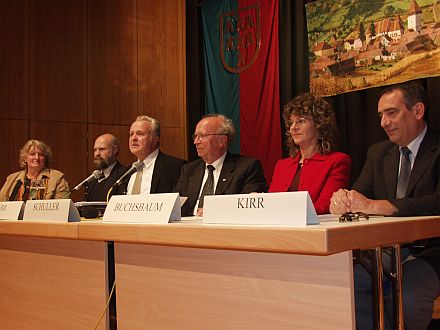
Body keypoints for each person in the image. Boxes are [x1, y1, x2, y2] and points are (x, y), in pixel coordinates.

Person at [330, 82, 440, 330]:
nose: (383, 123)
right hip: (383, 253)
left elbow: (435, 202)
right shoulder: (378, 153)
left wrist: (381, 206)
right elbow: (359, 192)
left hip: (431, 253)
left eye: (391, 113)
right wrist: (343, 198)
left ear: (418, 111)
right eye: (380, 115)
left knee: (408, 300)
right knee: (344, 290)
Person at [269, 93, 351, 214]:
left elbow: (325, 207)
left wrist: (282, 211)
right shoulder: (281, 165)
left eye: (300, 121)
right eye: (291, 123)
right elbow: (271, 204)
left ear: (319, 124)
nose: (293, 127)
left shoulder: (337, 161)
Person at [175, 114, 267, 216]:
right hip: (186, 227)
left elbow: (249, 207)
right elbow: (175, 204)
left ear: (221, 141)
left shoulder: (247, 167)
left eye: (202, 136)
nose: (196, 142)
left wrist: (214, 210)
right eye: (195, 136)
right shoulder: (189, 169)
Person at [126, 115, 186, 195]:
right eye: (131, 134)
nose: (133, 138)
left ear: (154, 140)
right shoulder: (126, 173)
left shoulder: (175, 167)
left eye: (140, 134)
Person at [0, 139, 69, 201]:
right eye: (32, 154)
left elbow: (61, 207)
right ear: (25, 158)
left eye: (41, 155)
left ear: (46, 158)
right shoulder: (12, 178)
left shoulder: (57, 177)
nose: (37, 158)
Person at [86, 134, 130, 201]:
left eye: (102, 149)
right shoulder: (92, 180)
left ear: (115, 150)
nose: (97, 154)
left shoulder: (124, 175)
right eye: (95, 150)